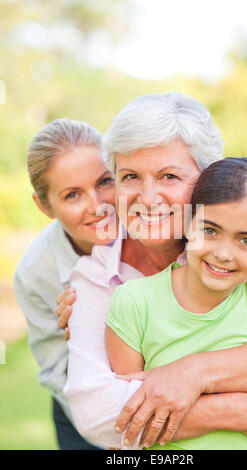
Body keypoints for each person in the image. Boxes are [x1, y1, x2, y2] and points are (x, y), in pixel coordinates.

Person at [59, 93, 247, 450]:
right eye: (130, 176)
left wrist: (191, 374)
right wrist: (236, 409)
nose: (149, 197)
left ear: (207, 179)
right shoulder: (95, 279)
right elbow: (96, 413)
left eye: (169, 176)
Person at [105, 156, 247, 450]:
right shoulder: (134, 302)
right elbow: (126, 424)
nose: (224, 254)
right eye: (210, 231)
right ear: (188, 225)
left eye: (246, 241)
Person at [14, 118, 118, 450]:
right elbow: (60, 371)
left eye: (104, 182)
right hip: (84, 413)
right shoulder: (35, 273)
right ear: (44, 206)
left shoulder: (154, 228)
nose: (97, 205)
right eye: (72, 195)